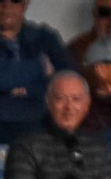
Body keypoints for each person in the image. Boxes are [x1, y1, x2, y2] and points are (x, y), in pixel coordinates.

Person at [4, 72, 111, 179]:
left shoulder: (99, 147)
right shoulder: (25, 146)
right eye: (60, 99)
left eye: (76, 99)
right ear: (48, 102)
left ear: (87, 104)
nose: (69, 107)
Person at [0, 0, 76, 145]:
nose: (7, 6)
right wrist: (39, 67)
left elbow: (68, 80)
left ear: (25, 4)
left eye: (15, 0)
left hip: (40, 123)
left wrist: (26, 89)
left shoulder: (45, 38)